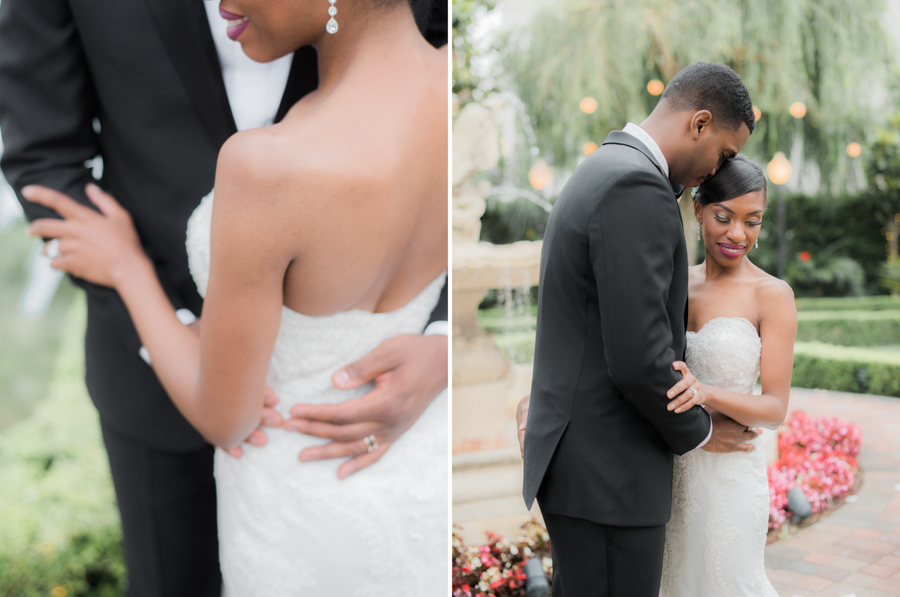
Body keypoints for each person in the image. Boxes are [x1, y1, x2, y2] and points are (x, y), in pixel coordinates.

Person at [0, 0, 448, 594]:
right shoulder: (455, 92)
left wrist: (443, 344)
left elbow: (225, 418)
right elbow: (44, 157)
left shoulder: (262, 166)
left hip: (310, 451)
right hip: (385, 482)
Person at [519, 62, 761, 596]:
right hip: (610, 473)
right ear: (698, 122)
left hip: (588, 467)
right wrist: (699, 432)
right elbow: (638, 356)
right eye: (723, 153)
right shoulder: (636, 187)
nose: (718, 171)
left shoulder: (603, 167)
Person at [657, 154, 795, 594]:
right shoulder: (675, 283)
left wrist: (705, 393)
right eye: (724, 217)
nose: (738, 234)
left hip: (732, 474)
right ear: (698, 210)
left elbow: (774, 408)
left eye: (752, 221)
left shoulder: (771, 295)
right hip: (670, 470)